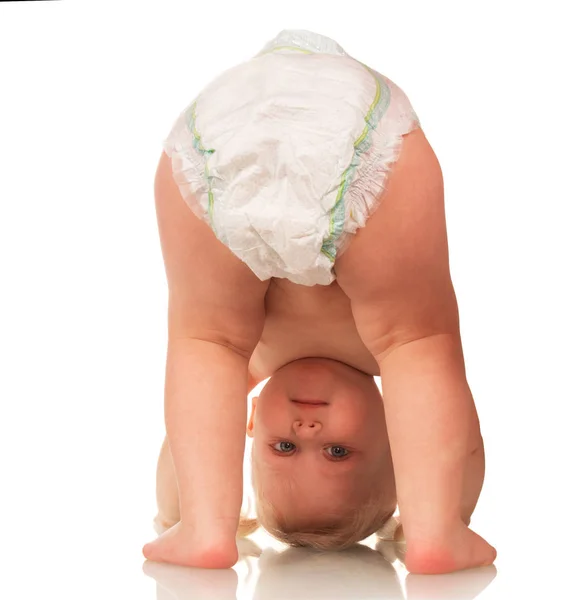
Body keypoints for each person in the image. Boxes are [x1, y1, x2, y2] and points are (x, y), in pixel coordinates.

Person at [142, 29, 497, 574]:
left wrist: (175, 511)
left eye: (282, 448)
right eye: (337, 453)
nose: (307, 432)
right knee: (419, 342)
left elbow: (183, 439)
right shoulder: (393, 364)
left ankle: (204, 527)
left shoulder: (248, 362)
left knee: (206, 340)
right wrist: (454, 510)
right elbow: (462, 446)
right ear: (400, 437)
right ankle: (436, 532)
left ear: (251, 423)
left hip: (217, 143)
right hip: (355, 141)